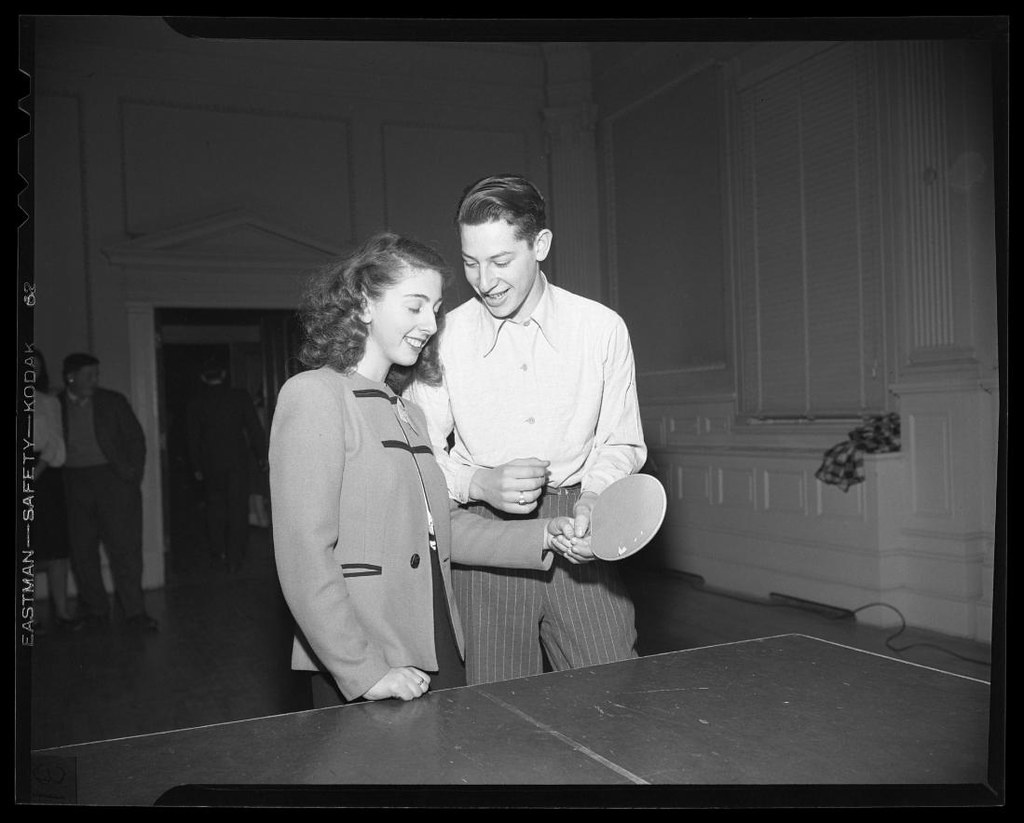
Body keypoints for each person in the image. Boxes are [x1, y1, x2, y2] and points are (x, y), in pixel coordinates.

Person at [269, 232, 586, 706]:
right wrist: (365, 672)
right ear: (363, 302)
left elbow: (440, 528)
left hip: (435, 636)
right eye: (415, 306)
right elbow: (304, 556)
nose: (430, 324)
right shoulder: (314, 395)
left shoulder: (408, 411)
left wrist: (543, 534)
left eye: (436, 309)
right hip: (366, 653)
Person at [405, 174, 647, 685]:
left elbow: (621, 441)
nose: (484, 280)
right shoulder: (443, 337)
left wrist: (596, 499)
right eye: (470, 263)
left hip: (581, 531)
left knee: (613, 695)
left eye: (500, 261)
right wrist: (479, 483)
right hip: (485, 535)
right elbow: (418, 453)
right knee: (498, 721)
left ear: (540, 245)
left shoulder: (601, 328)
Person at [59, 352, 158, 632]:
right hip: (74, 482)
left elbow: (136, 439)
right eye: (88, 375)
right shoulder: (56, 405)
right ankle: (95, 610)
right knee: (82, 551)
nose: (95, 380)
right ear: (71, 377)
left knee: (125, 549)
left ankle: (135, 613)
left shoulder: (113, 401)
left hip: (113, 481)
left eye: (96, 374)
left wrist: (131, 475)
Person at [186, 358, 267, 572]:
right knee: (238, 510)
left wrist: (196, 466)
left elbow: (192, 438)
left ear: (203, 377)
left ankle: (217, 552)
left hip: (210, 464)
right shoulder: (239, 397)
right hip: (237, 462)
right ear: (224, 374)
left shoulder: (197, 402)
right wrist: (262, 457)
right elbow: (254, 429)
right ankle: (235, 557)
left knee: (215, 509)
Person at [28, 348, 80, 632]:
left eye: (35, 366)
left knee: (57, 548)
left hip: (45, 476)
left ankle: (62, 612)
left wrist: (35, 473)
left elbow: (56, 442)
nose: (30, 371)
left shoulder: (49, 401)